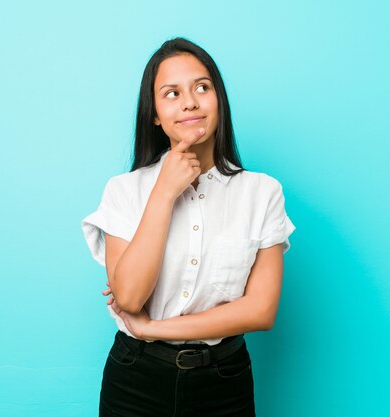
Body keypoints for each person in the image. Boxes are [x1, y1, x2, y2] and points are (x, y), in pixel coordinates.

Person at [81, 37, 296, 417]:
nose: (190, 102)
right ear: (154, 115)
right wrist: (164, 192)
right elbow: (129, 298)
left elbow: (260, 311)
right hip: (136, 380)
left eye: (202, 87)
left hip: (223, 381)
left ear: (219, 100)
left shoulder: (262, 192)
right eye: (171, 93)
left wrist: (152, 329)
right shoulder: (124, 190)